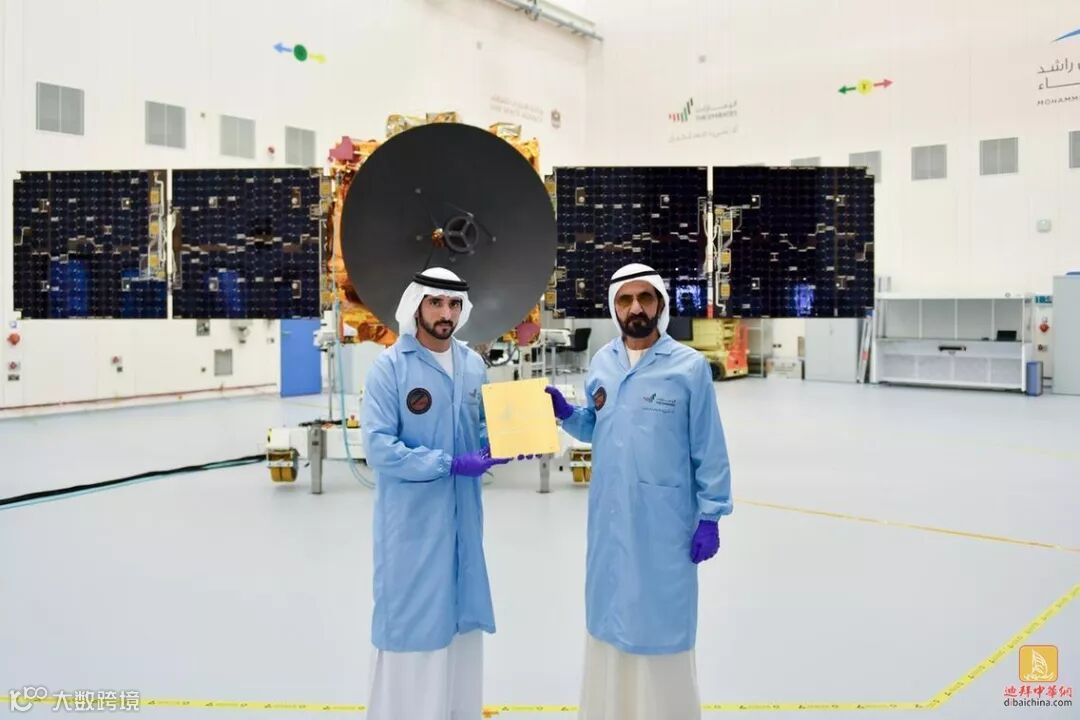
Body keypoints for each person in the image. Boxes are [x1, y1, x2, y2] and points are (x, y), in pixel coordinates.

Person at [545, 262, 733, 720]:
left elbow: (709, 447)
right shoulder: (603, 363)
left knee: (660, 621)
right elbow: (598, 425)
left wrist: (710, 516)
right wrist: (568, 415)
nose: (636, 308)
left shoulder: (688, 368)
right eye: (625, 300)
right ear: (615, 308)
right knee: (610, 618)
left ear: (660, 305)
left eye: (645, 298)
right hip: (610, 519)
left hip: (664, 524)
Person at [360, 267, 511, 720]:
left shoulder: (472, 366)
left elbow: (480, 428)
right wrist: (448, 464)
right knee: (414, 626)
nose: (446, 313)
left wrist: (506, 440)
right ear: (417, 306)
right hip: (413, 527)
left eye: (454, 304)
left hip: (464, 523)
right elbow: (379, 448)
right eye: (436, 303)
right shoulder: (390, 368)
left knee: (460, 629)